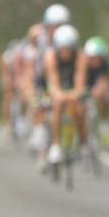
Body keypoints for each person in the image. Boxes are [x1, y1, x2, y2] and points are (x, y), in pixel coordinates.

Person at [26, 4, 71, 170]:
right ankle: (42, 150)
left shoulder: (69, 39)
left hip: (63, 78)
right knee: (40, 109)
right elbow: (32, 62)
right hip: (43, 79)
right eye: (53, 26)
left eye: (60, 26)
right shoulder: (41, 39)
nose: (56, 30)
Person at [45, 24, 89, 164]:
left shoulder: (81, 57)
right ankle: (56, 145)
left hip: (74, 87)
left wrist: (76, 94)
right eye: (61, 49)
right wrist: (58, 94)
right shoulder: (50, 56)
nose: (64, 53)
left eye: (68, 49)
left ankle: (83, 143)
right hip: (58, 88)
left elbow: (80, 81)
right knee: (57, 104)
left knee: (79, 108)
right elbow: (53, 82)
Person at [83, 36, 109, 133]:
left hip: (96, 87)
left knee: (107, 96)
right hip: (83, 87)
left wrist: (98, 92)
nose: (97, 61)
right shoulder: (82, 64)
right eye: (94, 58)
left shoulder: (105, 65)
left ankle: (104, 119)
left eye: (99, 58)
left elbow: (104, 82)